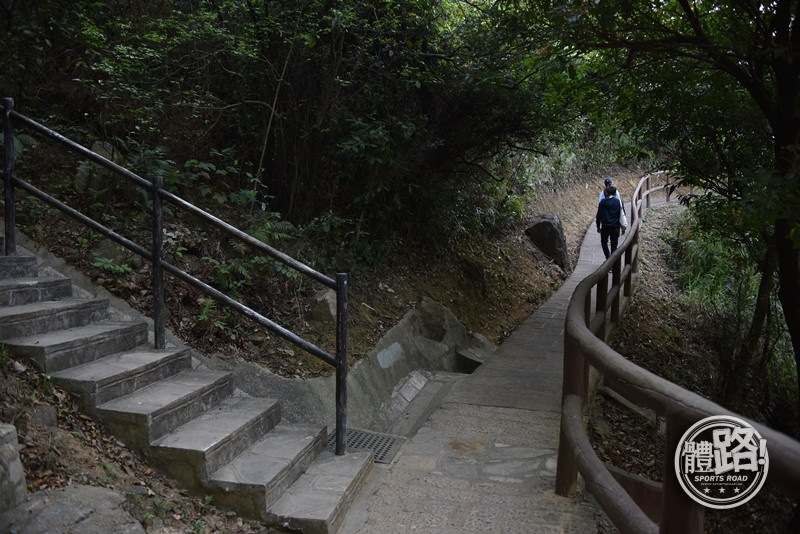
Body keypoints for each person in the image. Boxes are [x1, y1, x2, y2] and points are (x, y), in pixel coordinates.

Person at [596, 186, 624, 259]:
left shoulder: (602, 202)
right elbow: (621, 215)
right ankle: (612, 263)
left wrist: (598, 226)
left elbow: (598, 215)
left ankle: (608, 258)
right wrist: (623, 227)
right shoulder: (618, 202)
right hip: (615, 227)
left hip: (605, 226)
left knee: (604, 243)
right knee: (614, 245)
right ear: (615, 193)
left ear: (606, 193)